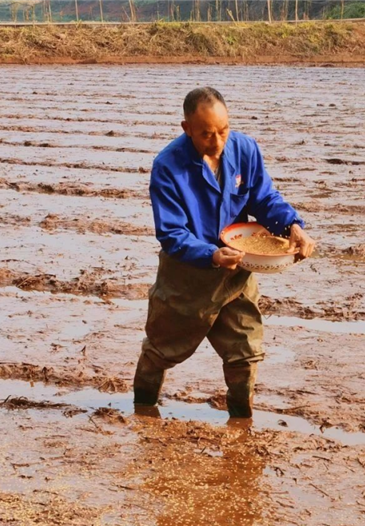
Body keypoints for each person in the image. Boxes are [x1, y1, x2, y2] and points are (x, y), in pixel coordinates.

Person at [133, 87, 315, 418]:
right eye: (205, 134)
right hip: (186, 277)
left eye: (223, 130)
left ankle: (241, 421)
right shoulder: (168, 166)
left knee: (245, 351)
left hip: (236, 272)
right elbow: (172, 233)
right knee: (162, 349)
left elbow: (264, 198)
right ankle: (142, 410)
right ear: (186, 128)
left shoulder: (244, 150)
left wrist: (292, 225)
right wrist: (211, 255)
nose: (217, 141)